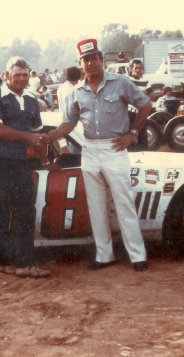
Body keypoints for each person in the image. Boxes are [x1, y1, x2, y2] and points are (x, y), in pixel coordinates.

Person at [47, 38, 152, 272]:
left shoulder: (120, 83)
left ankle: (137, 255)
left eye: (94, 58)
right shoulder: (75, 92)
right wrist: (48, 137)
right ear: (80, 64)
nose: (91, 63)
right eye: (86, 60)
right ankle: (104, 255)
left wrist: (132, 133)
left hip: (115, 147)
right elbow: (67, 124)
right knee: (96, 205)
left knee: (124, 203)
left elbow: (146, 104)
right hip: (90, 149)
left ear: (102, 60)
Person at [0, 56, 51, 278]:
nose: (21, 78)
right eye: (16, 74)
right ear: (6, 75)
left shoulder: (31, 99)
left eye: (24, 74)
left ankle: (20, 263)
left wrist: (45, 160)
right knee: (2, 211)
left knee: (24, 210)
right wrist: (28, 137)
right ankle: (10, 263)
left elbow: (38, 135)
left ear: (29, 75)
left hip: (19, 161)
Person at [56, 66, 82, 154]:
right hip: (73, 124)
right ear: (79, 76)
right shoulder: (73, 90)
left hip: (64, 122)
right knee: (77, 152)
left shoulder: (61, 87)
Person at [128, 59, 149, 150]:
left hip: (141, 113)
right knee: (129, 138)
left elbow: (150, 96)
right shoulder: (127, 80)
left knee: (143, 138)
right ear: (131, 68)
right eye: (136, 68)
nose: (138, 70)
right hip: (129, 114)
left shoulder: (146, 81)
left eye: (140, 68)